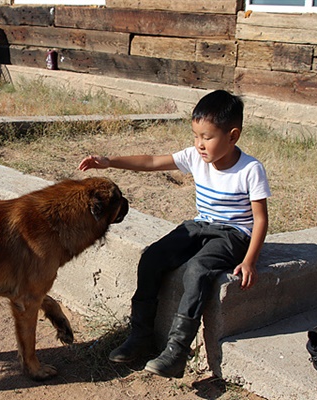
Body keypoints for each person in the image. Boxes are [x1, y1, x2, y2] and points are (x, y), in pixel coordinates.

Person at [78, 90, 271, 378]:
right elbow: (153, 161)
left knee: (198, 270)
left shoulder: (250, 170)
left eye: (207, 137)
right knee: (152, 257)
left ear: (233, 136)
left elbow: (260, 219)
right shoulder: (195, 157)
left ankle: (177, 351)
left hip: (233, 234)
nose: (199, 145)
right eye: (196, 136)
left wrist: (250, 260)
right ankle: (140, 336)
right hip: (200, 225)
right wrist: (109, 161)